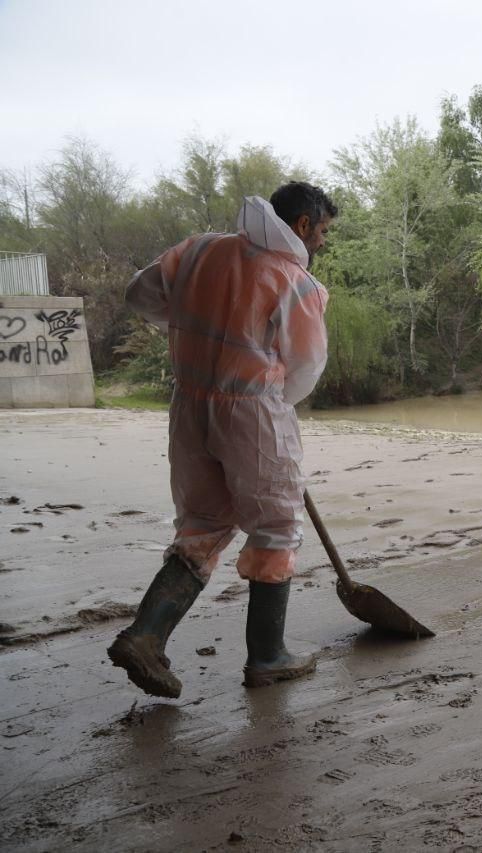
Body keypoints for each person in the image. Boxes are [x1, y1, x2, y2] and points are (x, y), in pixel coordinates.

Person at [108, 182, 337, 697]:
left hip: (188, 405)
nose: (323, 243)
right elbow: (305, 369)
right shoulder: (294, 281)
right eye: (322, 232)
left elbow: (139, 295)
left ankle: (146, 636)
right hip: (252, 410)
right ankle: (268, 657)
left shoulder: (198, 249)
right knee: (275, 526)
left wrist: (196, 318)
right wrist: (269, 406)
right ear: (302, 225)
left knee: (203, 523)